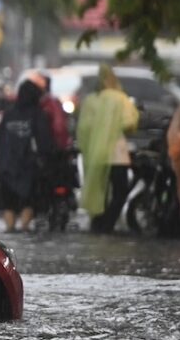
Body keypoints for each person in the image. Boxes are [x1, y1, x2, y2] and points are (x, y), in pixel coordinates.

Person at [76, 63, 139, 234]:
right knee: (120, 190)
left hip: (95, 153)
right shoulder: (120, 98)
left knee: (99, 190)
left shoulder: (90, 100)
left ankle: (97, 222)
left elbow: (83, 128)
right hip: (117, 154)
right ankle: (108, 224)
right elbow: (129, 122)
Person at [0, 78, 56, 232]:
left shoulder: (9, 114)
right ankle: (25, 227)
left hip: (6, 165)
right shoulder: (37, 114)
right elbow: (44, 141)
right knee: (28, 202)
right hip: (28, 167)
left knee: (9, 204)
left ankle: (10, 229)